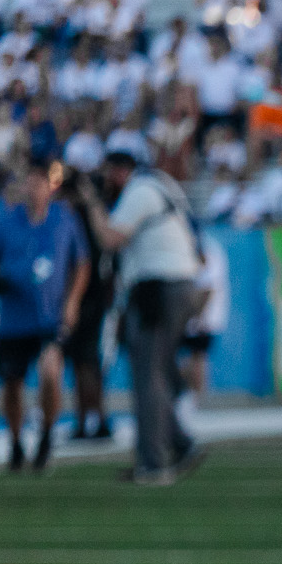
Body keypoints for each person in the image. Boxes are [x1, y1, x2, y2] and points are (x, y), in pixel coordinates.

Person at [83, 133, 203, 484]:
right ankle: (180, 443)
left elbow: (110, 238)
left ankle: (153, 461)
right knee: (159, 369)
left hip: (160, 286)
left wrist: (92, 203)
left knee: (147, 374)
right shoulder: (160, 185)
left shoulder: (141, 191)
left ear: (122, 170)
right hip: (174, 283)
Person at [0, 161, 89, 472]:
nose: (34, 188)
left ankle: (47, 432)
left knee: (51, 370)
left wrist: (72, 302)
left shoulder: (63, 219)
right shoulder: (7, 219)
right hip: (13, 316)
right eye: (30, 181)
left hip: (48, 316)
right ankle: (14, 442)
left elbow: (82, 263)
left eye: (40, 182)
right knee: (12, 383)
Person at [60, 163, 117, 440]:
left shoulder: (91, 215)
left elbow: (102, 249)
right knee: (80, 362)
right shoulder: (68, 217)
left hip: (92, 298)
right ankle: (86, 420)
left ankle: (96, 419)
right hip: (79, 297)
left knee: (89, 362)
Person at [177, 226, 229, 424]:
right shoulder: (194, 246)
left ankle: (194, 401)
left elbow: (208, 286)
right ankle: (189, 398)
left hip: (203, 315)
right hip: (192, 313)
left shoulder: (207, 249)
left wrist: (199, 316)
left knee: (197, 356)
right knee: (187, 358)